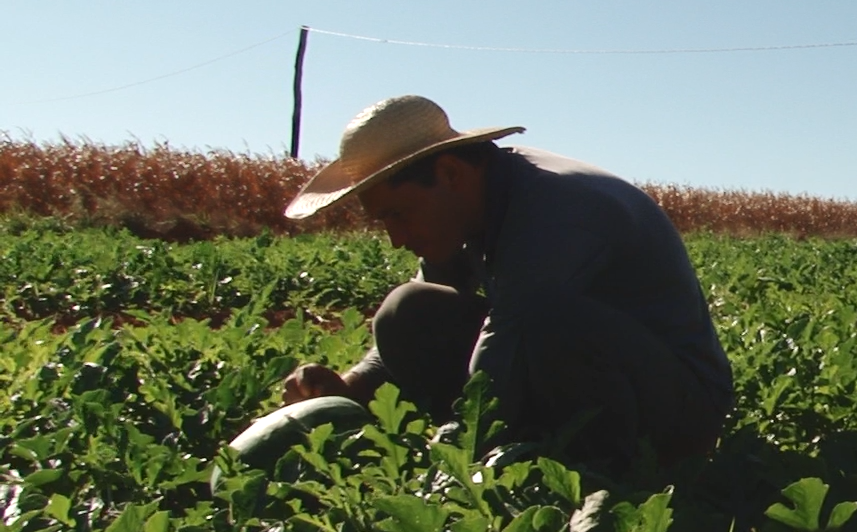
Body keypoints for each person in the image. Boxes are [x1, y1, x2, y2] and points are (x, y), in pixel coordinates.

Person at [280, 95, 733, 469]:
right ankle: (532, 451)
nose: (396, 238)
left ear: (450, 174)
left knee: (542, 317)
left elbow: (508, 340)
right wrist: (352, 385)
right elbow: (422, 318)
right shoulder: (470, 202)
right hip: (574, 369)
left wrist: (451, 463)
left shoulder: (557, 206)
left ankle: (601, 471)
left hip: (679, 408)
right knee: (409, 310)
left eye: (398, 215)